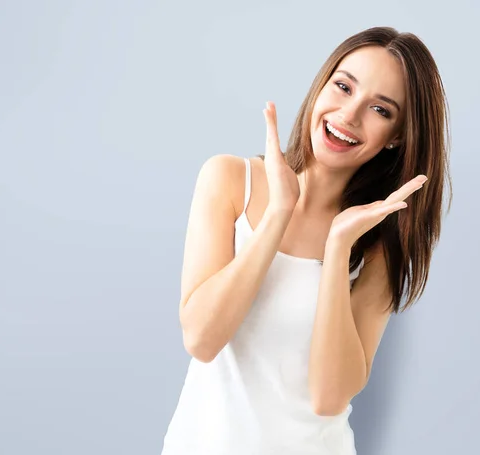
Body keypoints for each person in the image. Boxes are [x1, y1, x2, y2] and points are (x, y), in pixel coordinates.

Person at [161, 26, 452, 455]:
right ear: (322, 84)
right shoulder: (228, 180)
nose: (349, 115)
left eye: (380, 109)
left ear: (397, 137)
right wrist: (279, 213)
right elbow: (202, 339)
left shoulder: (377, 247)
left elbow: (329, 397)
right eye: (343, 86)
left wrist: (337, 250)